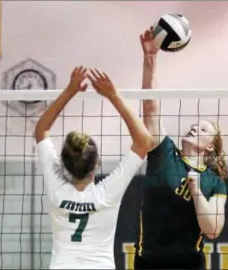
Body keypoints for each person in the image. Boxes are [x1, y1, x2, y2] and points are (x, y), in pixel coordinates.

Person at [35, 66, 154, 269]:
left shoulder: (57, 190)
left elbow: (41, 130)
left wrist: (70, 90)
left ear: (64, 164)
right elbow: (144, 141)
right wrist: (113, 95)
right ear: (97, 164)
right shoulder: (106, 193)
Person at [133, 28, 228, 270]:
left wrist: (196, 190)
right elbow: (151, 107)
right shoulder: (164, 153)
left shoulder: (213, 182)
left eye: (204, 130)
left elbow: (213, 230)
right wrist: (150, 57)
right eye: (196, 125)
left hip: (189, 264)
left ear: (210, 148)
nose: (196, 128)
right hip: (149, 262)